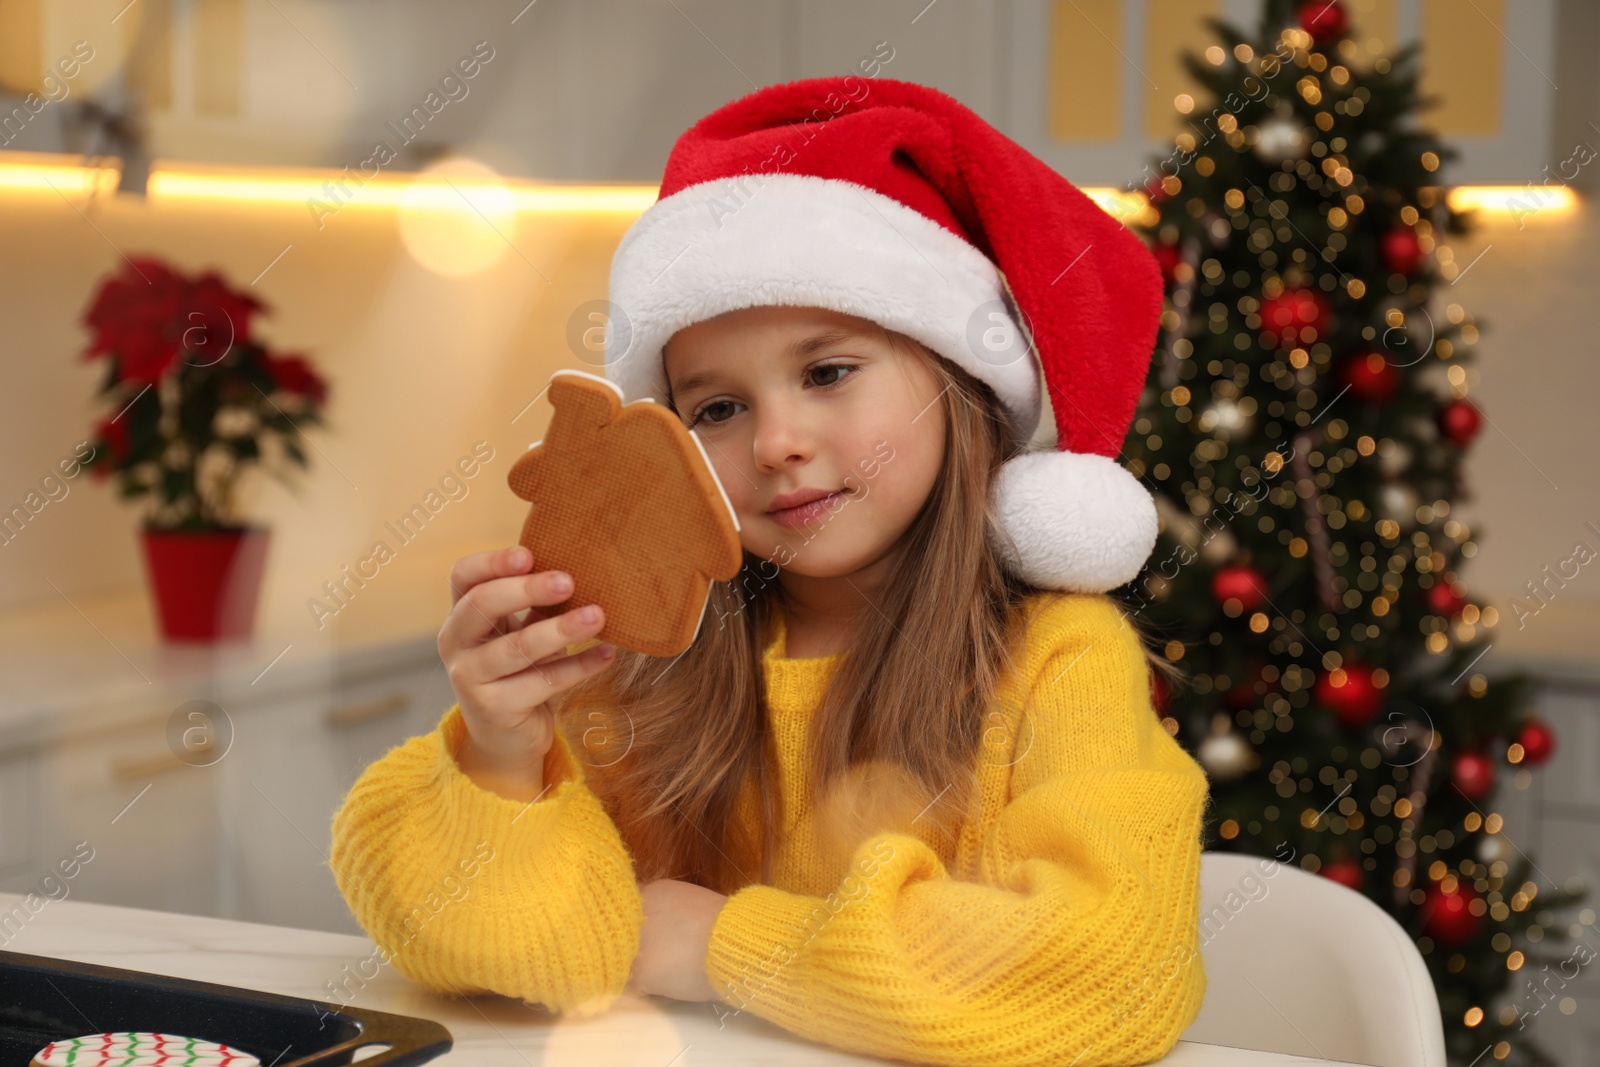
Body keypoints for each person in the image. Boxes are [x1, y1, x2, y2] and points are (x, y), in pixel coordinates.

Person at [330, 75, 1212, 1067]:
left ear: (958, 388)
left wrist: (717, 943)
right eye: (716, 409)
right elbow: (518, 953)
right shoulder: (639, 658)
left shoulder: (1055, 659)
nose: (777, 442)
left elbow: (1110, 979)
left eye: (827, 372)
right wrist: (501, 753)